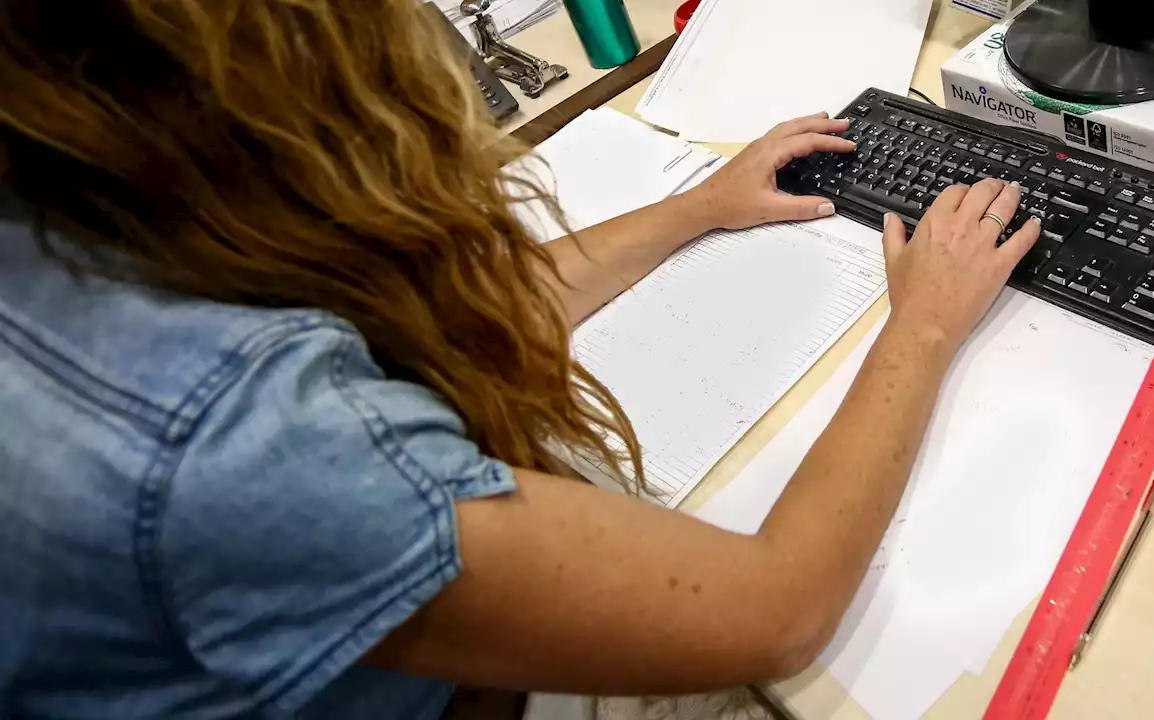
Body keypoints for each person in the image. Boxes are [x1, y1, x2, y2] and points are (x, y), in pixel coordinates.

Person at [0, 1, 1042, 718]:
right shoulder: (232, 443)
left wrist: (694, 208)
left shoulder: (68, 226)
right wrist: (924, 322)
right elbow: (774, 608)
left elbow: (455, 313)